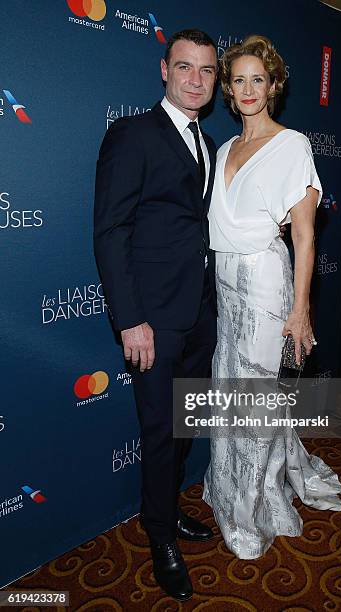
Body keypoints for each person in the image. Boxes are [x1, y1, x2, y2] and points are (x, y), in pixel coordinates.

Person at [203, 35, 341, 559]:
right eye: (237, 79)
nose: (246, 89)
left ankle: (256, 504)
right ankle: (230, 490)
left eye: (256, 79)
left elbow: (305, 236)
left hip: (265, 283)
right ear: (229, 90)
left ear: (273, 85)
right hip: (226, 285)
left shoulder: (293, 145)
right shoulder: (222, 150)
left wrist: (300, 308)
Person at [94, 30, 219, 601]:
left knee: (186, 426)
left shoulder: (207, 141)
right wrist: (130, 319)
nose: (197, 79)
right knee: (161, 432)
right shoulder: (132, 134)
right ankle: (160, 537)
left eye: (208, 71)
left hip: (199, 313)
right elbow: (111, 231)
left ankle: (168, 514)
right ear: (163, 69)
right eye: (186, 68)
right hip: (154, 321)